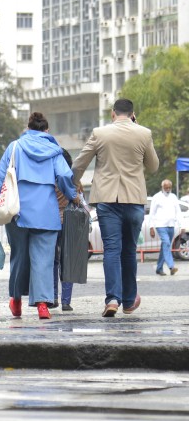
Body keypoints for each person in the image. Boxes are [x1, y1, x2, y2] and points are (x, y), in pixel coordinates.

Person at [0, 112, 77, 320]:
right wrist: (72, 196)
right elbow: (63, 175)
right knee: (43, 260)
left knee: (19, 257)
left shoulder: (15, 147)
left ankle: (16, 300)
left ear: (28, 128)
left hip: (18, 211)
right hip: (46, 213)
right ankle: (43, 305)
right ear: (46, 130)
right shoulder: (55, 151)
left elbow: (0, 176)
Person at [72, 99, 159, 317]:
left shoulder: (100, 133)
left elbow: (79, 164)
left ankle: (112, 299)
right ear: (132, 114)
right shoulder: (144, 133)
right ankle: (129, 301)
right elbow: (153, 166)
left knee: (111, 249)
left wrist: (74, 185)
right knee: (129, 250)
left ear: (113, 114)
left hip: (107, 200)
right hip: (134, 199)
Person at [53, 149, 76, 312]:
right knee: (67, 261)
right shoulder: (72, 179)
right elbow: (77, 198)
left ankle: (52, 297)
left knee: (52, 261)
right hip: (69, 221)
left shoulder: (48, 178)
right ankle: (66, 301)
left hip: (50, 221)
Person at [150, 179, 183, 277]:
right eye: (166, 187)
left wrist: (181, 225)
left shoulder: (173, 197)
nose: (168, 189)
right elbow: (152, 213)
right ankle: (171, 267)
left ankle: (159, 268)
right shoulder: (157, 197)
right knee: (167, 243)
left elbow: (178, 211)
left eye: (169, 187)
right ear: (162, 187)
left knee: (165, 246)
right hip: (160, 225)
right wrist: (151, 227)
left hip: (171, 225)